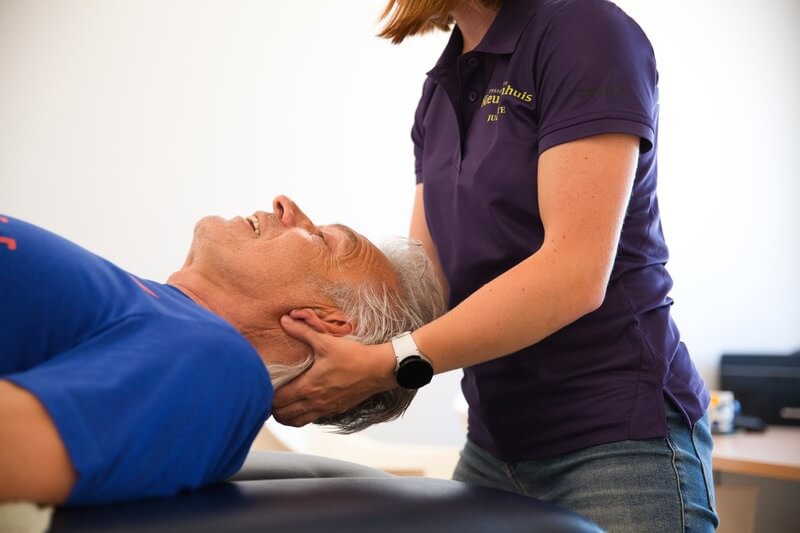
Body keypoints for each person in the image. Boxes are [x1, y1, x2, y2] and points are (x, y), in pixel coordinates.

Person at [271, 1, 719, 531]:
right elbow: (428, 289)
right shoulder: (440, 90)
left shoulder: (586, 33)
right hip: (494, 446)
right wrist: (309, 301)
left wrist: (384, 364)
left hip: (617, 441)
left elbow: (574, 275)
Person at [0, 195, 444, 506]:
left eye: (322, 238)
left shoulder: (219, 367)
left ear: (327, 321)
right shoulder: (163, 317)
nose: (285, 206)